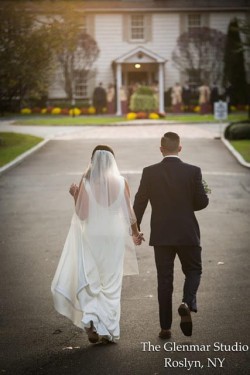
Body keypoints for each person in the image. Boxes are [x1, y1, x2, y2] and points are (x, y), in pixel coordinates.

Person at [51, 145, 143, 344]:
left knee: (92, 279)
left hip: (92, 235)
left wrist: (75, 195)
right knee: (111, 283)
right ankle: (108, 329)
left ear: (93, 161)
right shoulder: (122, 182)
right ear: (112, 161)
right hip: (114, 237)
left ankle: (91, 322)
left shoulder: (87, 182)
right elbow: (129, 213)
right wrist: (136, 234)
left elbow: (82, 214)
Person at [133, 132, 209, 339]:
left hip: (162, 234)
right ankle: (187, 302)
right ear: (180, 148)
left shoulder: (149, 172)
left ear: (161, 149)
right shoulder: (193, 171)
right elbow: (201, 203)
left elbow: (139, 202)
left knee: (164, 280)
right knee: (194, 270)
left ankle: (165, 327)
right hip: (187, 233)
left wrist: (135, 230)